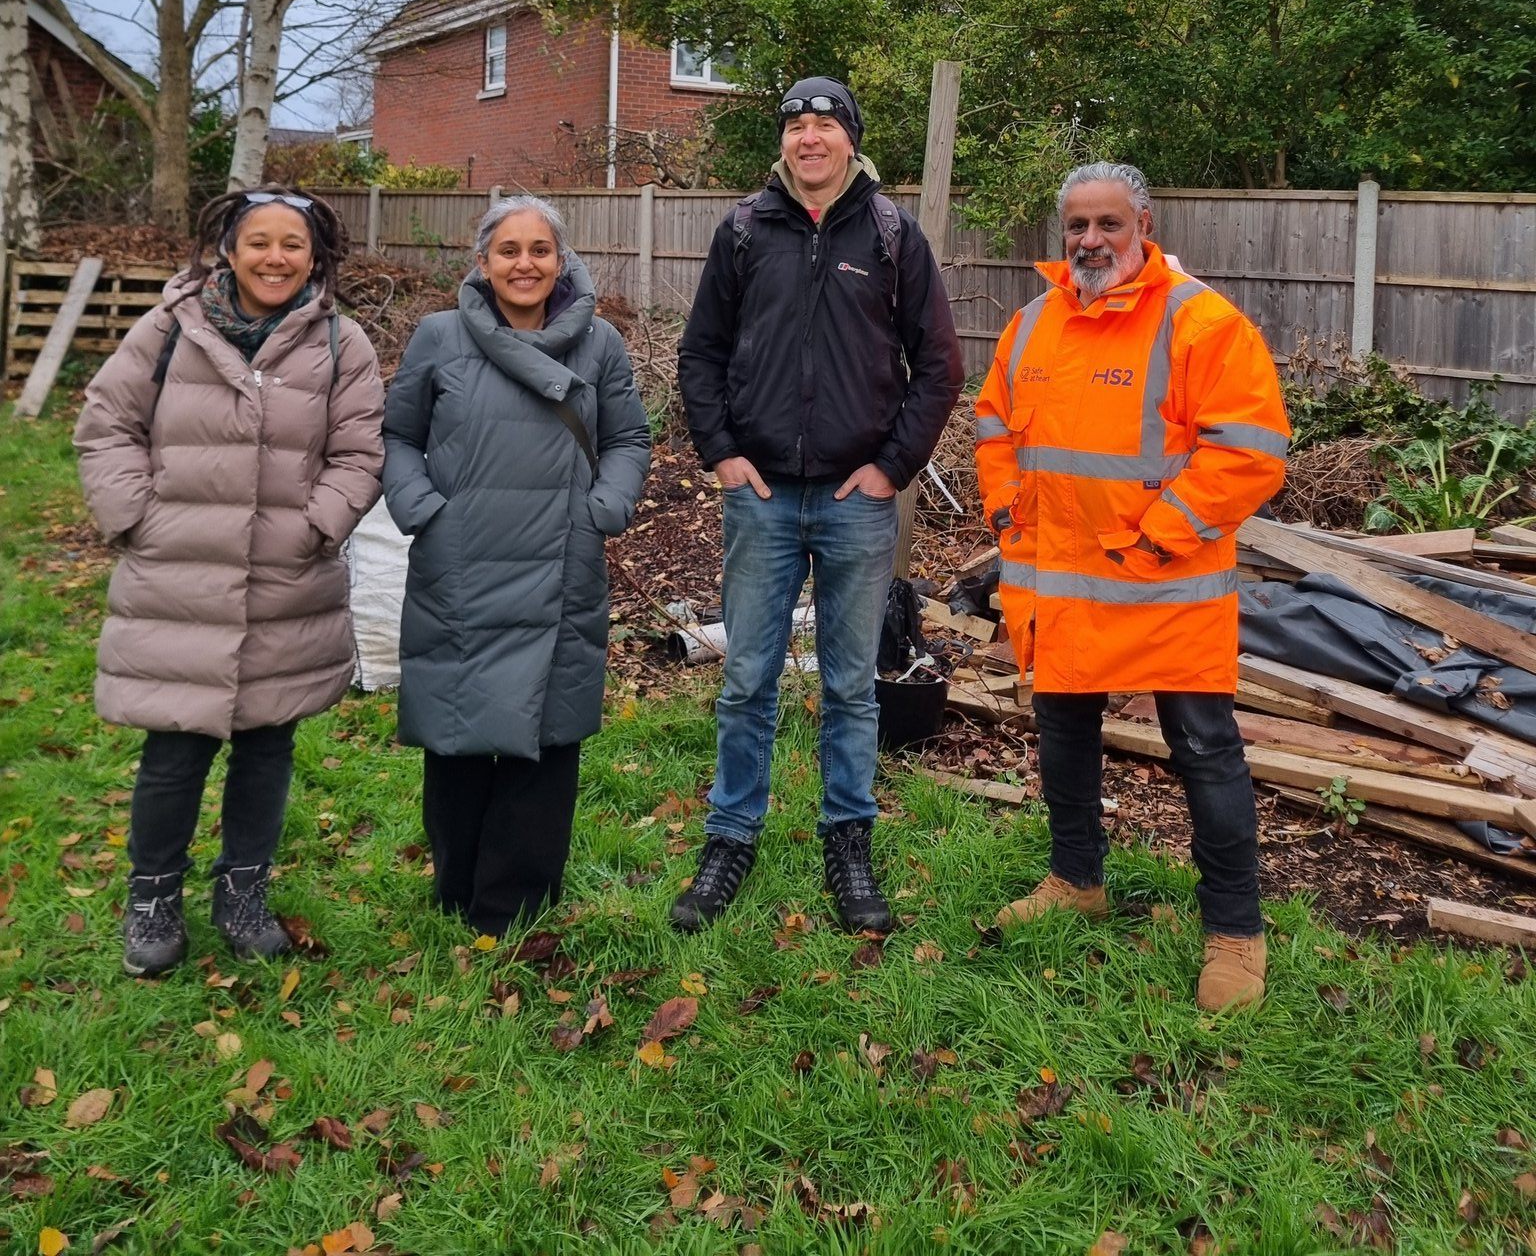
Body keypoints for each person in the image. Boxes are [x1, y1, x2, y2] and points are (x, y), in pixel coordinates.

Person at [975, 161, 1290, 1010]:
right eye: (1076, 224)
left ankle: (1234, 930)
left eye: (1108, 224)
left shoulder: (1201, 323)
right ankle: (1076, 878)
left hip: (1167, 588)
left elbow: (1251, 450)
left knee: (1206, 753)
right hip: (1062, 591)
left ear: (1143, 226)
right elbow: (993, 428)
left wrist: (1159, 537)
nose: (1089, 240)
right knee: (1064, 734)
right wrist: (1008, 515)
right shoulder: (1034, 321)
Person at [673, 77, 964, 933]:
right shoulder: (743, 231)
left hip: (853, 501)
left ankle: (848, 842)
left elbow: (940, 366)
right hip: (761, 497)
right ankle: (730, 839)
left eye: (824, 125)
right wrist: (722, 455)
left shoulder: (890, 236)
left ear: (850, 141)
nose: (809, 138)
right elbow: (700, 356)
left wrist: (891, 468)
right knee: (747, 681)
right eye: (796, 125)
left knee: (850, 686)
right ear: (785, 143)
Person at [74, 187, 385, 976]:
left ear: (316, 256)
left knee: (266, 747)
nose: (275, 258)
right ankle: (153, 899)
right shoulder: (171, 328)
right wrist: (136, 517)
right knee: (174, 752)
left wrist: (317, 525)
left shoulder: (342, 344)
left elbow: (361, 452)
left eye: (292, 244)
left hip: (287, 579)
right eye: (259, 242)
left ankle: (242, 891)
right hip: (179, 575)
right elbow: (105, 422)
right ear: (228, 249)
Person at [382, 194, 650, 937]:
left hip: (561, 563)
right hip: (458, 563)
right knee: (459, 733)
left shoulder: (599, 346)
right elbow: (397, 436)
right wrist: (422, 510)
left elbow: (630, 438)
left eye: (539, 250)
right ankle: (458, 887)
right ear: (482, 262)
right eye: (509, 250)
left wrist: (604, 509)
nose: (524, 264)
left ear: (561, 261)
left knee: (547, 740)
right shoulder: (438, 338)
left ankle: (516, 905)